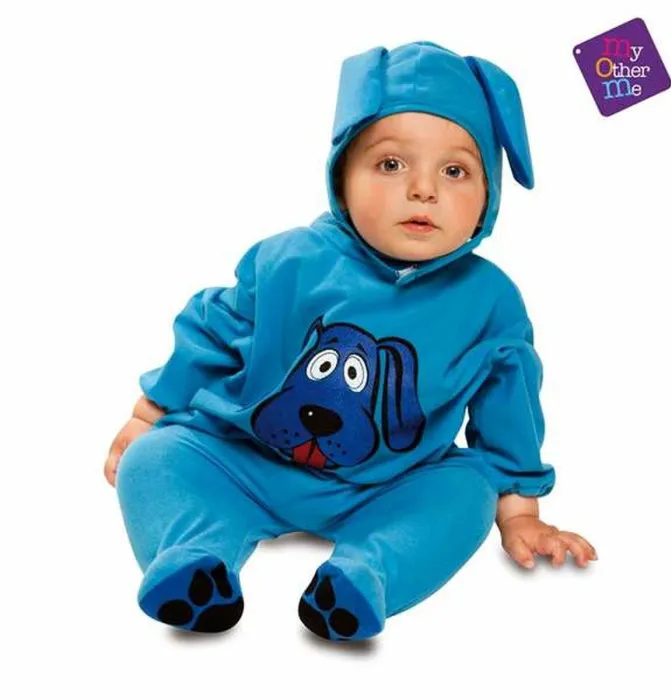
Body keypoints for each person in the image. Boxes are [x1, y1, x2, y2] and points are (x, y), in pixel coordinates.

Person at [105, 40, 597, 641]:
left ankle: (364, 577)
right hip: (247, 460)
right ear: (342, 177)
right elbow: (212, 333)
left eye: (455, 171)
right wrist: (148, 413)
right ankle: (193, 559)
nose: (423, 189)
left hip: (390, 484)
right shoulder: (286, 260)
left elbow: (509, 405)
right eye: (391, 164)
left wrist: (520, 512)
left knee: (467, 494)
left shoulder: (489, 301)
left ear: (488, 197)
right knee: (155, 458)